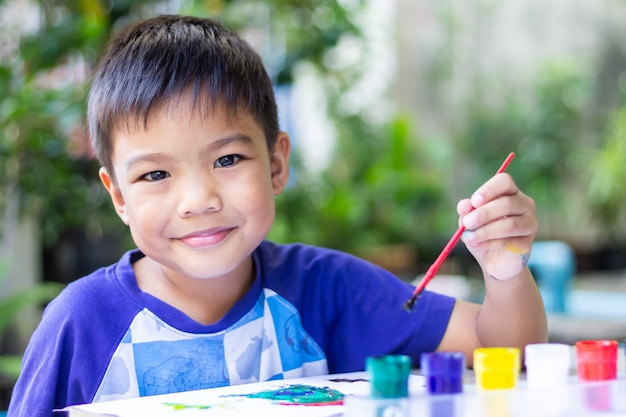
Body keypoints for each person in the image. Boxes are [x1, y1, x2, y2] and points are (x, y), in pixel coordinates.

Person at [7, 14, 547, 417]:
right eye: (155, 175)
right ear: (118, 195)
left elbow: (504, 353)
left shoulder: (327, 290)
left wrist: (504, 270)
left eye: (227, 159)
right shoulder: (81, 324)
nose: (198, 200)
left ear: (276, 163)